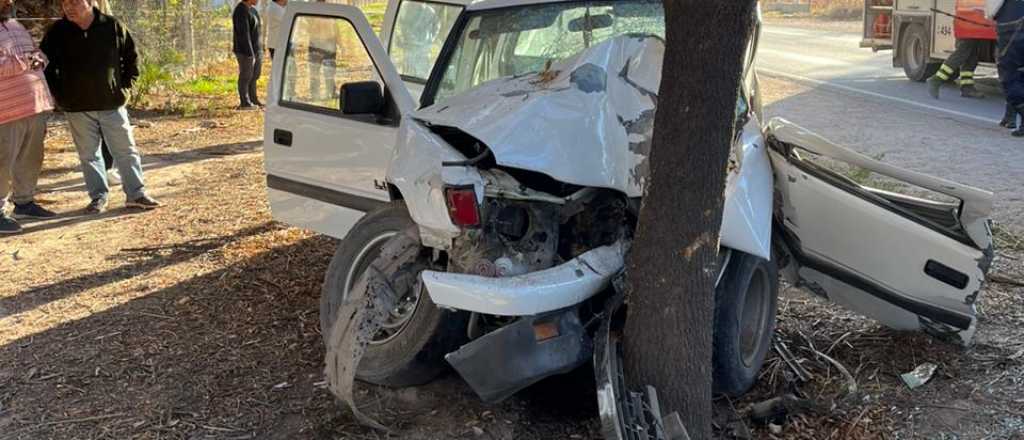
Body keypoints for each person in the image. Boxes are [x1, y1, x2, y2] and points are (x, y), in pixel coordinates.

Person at [41, 0, 160, 213]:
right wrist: (60, 94)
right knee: (89, 155)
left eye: (74, 2)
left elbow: (131, 59)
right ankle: (98, 198)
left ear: (90, 2)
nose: (68, 7)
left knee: (126, 151)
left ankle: (136, 194)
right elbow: (46, 66)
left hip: (112, 104)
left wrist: (124, 89)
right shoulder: (57, 32)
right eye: (64, 3)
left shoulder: (112, 26)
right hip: (76, 107)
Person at [0, 0, 58, 234]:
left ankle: (24, 202)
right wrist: (25, 61)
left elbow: (33, 52)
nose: (9, 2)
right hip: (5, 110)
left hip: (34, 104)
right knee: (2, 163)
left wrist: (39, 57)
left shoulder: (14, 24)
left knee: (30, 158)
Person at [990, 0, 1024, 136]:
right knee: (1020, 76)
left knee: (1008, 77)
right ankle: (1012, 118)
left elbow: (992, 10)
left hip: (1012, 27)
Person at [233, 0, 262, 110]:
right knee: (246, 75)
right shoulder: (240, 10)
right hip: (245, 51)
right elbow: (243, 34)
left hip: (256, 49)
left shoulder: (253, 10)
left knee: (255, 75)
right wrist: (250, 54)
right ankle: (245, 102)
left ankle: (253, 99)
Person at [308, 0, 338, 101]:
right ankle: (315, 94)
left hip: (329, 44)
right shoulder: (311, 9)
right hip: (316, 44)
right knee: (315, 71)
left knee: (329, 71)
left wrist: (339, 43)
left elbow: (335, 27)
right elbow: (308, 28)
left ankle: (331, 92)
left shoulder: (331, 8)